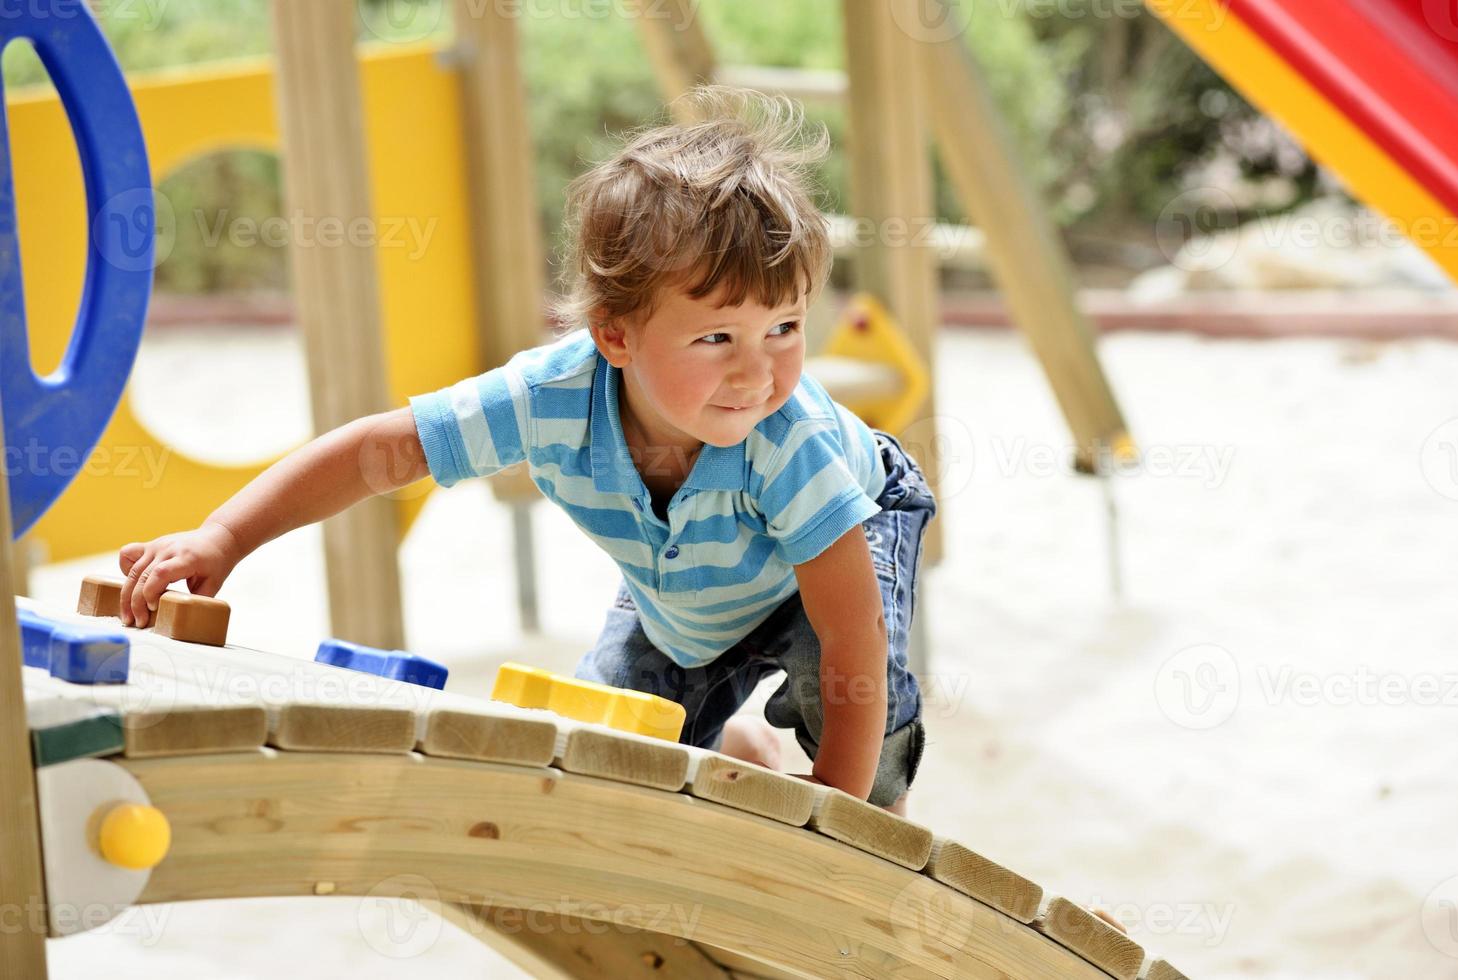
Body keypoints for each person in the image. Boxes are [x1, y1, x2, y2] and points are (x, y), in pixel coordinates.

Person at [115, 87, 936, 815]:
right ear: (615, 337)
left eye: (784, 328)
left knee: (847, 707)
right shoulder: (549, 400)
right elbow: (383, 452)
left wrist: (840, 805)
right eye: (718, 336)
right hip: (694, 585)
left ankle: (883, 807)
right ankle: (738, 747)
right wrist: (224, 536)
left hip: (841, 560)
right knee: (614, 733)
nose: (758, 370)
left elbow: (850, 627)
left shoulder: (787, 438)